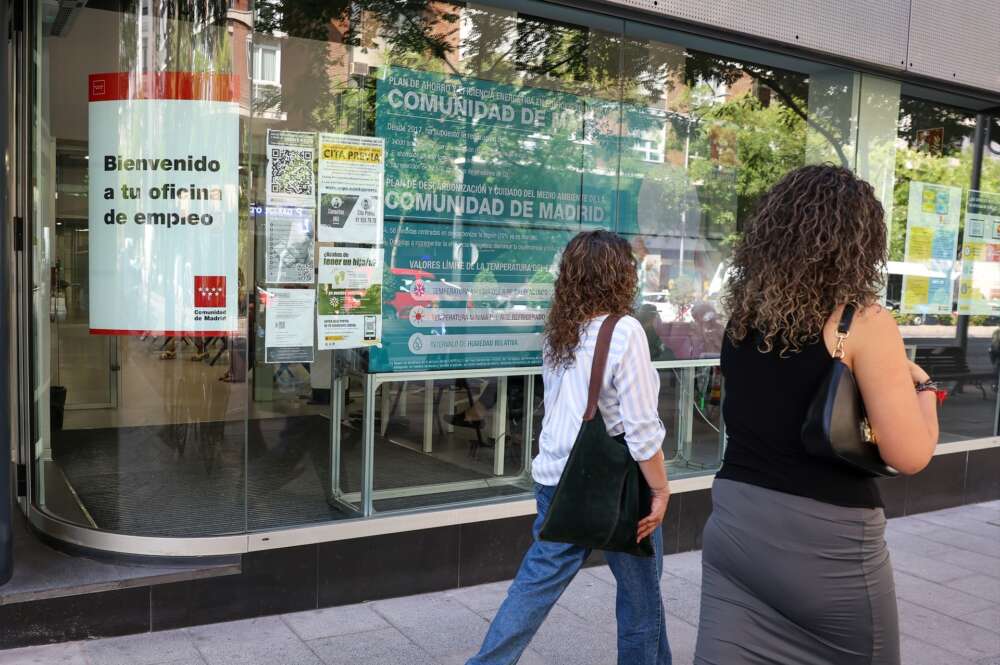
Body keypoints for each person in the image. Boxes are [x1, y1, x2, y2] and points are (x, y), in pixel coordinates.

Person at [694, 165, 939, 665]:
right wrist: (927, 389)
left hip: (735, 528)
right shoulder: (863, 322)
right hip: (828, 552)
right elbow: (909, 455)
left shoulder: (744, 315)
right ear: (859, 244)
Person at [467, 230, 673, 665]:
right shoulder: (625, 330)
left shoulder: (560, 329)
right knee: (641, 602)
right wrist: (660, 489)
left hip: (556, 480)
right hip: (618, 488)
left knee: (532, 589)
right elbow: (639, 428)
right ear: (620, 276)